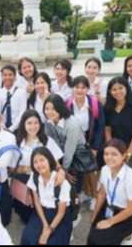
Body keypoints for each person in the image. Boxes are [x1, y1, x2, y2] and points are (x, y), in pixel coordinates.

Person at [10, 110, 65, 224]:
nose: (33, 126)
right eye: (29, 123)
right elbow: (11, 168)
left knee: (47, 215)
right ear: (23, 124)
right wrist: (28, 168)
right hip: (25, 182)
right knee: (27, 218)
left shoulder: (47, 141)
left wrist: (61, 172)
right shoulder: (17, 143)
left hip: (45, 181)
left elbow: (57, 164)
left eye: (36, 123)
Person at [88, 139, 132, 245]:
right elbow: (102, 194)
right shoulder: (105, 169)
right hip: (109, 208)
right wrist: (94, 215)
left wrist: (109, 222)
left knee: (100, 241)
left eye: (114, 154)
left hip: (127, 215)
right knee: (92, 237)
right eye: (106, 154)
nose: (109, 157)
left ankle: (128, 237)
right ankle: (126, 236)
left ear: (123, 156)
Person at [44, 94, 86, 227]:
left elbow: (70, 150)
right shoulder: (48, 121)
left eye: (53, 109)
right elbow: (48, 142)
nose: (49, 112)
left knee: (73, 184)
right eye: (47, 108)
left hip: (76, 155)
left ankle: (75, 213)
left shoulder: (71, 123)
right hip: (59, 153)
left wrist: (64, 170)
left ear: (61, 108)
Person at [67, 76, 105, 212]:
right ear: (72, 88)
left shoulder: (94, 103)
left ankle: (95, 196)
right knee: (79, 168)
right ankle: (87, 194)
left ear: (87, 89)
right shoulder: (68, 104)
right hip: (74, 140)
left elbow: (101, 126)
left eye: (83, 87)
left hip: (89, 139)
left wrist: (95, 147)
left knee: (90, 170)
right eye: (77, 87)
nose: (80, 90)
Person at [21, 147, 72, 245]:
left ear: (49, 160)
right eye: (35, 162)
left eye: (42, 160)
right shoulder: (34, 177)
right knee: (27, 238)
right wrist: (44, 224)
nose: (39, 164)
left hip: (58, 216)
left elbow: (61, 213)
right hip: (42, 213)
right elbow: (36, 201)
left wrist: (48, 231)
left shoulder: (62, 183)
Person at [104, 77, 132, 171]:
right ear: (110, 91)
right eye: (114, 89)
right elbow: (107, 130)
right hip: (115, 147)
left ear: (126, 88)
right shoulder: (108, 108)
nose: (118, 92)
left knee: (126, 173)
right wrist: (111, 148)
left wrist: (128, 154)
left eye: (120, 88)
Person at [0, 65, 26, 134]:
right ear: (1, 77)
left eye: (10, 75)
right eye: (5, 75)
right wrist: (3, 128)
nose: (7, 77)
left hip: (18, 129)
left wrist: (11, 128)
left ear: (15, 77)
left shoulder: (22, 92)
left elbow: (22, 113)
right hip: (2, 129)